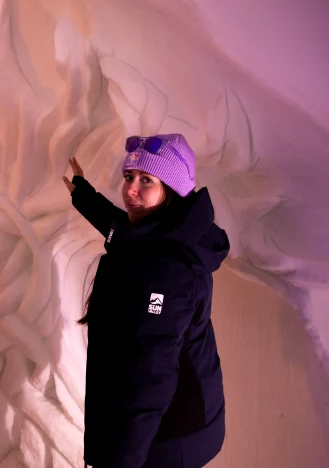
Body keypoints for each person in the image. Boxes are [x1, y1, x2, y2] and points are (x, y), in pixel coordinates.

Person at [63, 134, 229, 468]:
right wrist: (84, 196)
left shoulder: (166, 272)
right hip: (182, 420)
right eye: (129, 177)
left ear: (172, 192)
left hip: (169, 437)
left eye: (146, 180)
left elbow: (149, 382)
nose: (130, 190)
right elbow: (125, 230)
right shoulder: (167, 231)